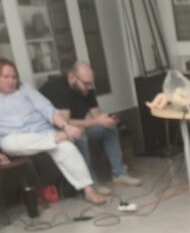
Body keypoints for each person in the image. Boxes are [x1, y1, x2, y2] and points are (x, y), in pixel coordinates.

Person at [0, 58, 106, 205]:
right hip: (15, 138)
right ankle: (57, 138)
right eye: (6, 77)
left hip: (42, 131)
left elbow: (47, 109)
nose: (11, 81)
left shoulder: (24, 88)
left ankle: (88, 190)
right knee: (8, 144)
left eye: (14, 77)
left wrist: (66, 127)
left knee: (67, 148)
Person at [40, 60, 141, 190]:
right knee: (81, 136)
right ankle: (91, 183)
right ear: (72, 77)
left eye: (91, 83)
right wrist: (95, 122)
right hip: (54, 131)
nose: (89, 87)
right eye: (86, 83)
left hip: (76, 127)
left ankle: (119, 174)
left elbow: (97, 115)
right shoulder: (59, 88)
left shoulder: (87, 88)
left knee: (109, 130)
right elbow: (64, 122)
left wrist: (108, 120)